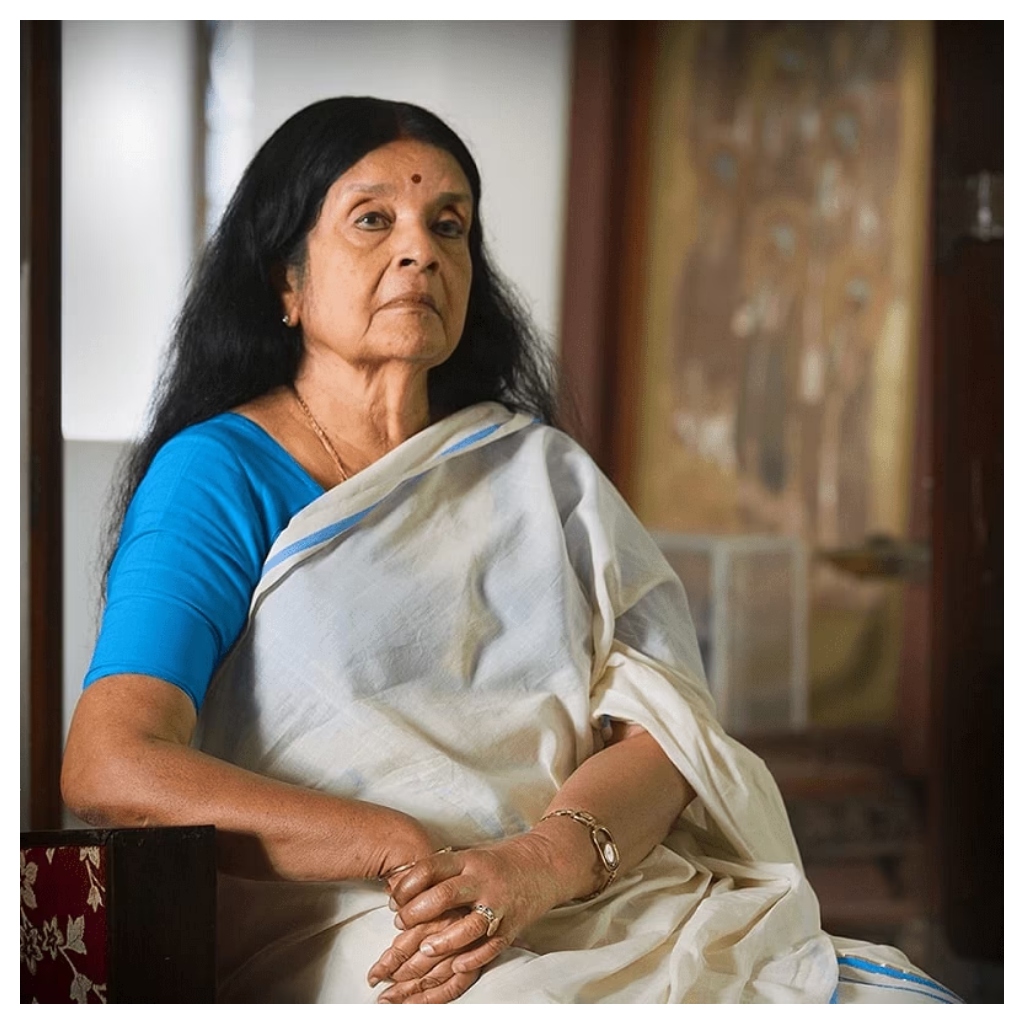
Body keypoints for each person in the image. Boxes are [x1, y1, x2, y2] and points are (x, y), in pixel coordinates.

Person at [61, 96, 956, 1004]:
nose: (420, 250)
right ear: (286, 283)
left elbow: (666, 738)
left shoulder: (540, 473)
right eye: (373, 220)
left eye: (449, 226)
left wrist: (538, 864)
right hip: (376, 926)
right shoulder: (219, 474)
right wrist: (389, 844)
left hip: (594, 897)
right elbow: (112, 763)